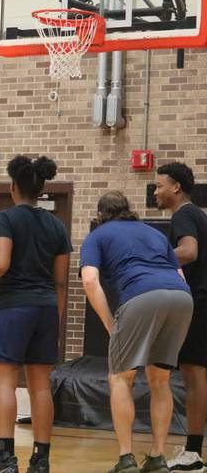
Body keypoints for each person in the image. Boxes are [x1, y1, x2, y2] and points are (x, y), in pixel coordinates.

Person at [0, 155, 71, 473]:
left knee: (4, 384)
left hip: (16, 307)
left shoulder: (7, 219)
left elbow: (0, 264)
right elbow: (61, 282)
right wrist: (54, 318)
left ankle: (4, 459)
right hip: (47, 310)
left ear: (13, 187)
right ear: (40, 189)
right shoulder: (57, 225)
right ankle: (40, 460)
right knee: (40, 386)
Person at [81, 191, 193, 473]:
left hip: (141, 296)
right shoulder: (154, 233)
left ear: (99, 215)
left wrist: (109, 322)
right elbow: (180, 275)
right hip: (181, 297)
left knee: (121, 377)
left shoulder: (98, 234)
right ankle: (157, 457)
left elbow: (90, 281)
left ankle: (126, 458)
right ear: (128, 210)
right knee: (160, 378)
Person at [154, 162, 207, 472]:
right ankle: (193, 449)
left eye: (160, 185)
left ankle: (192, 453)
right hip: (199, 302)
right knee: (195, 374)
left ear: (176, 187)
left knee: (194, 375)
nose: (156, 191)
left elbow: (188, 252)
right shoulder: (197, 214)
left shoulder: (185, 215)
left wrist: (149, 258)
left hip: (197, 303)